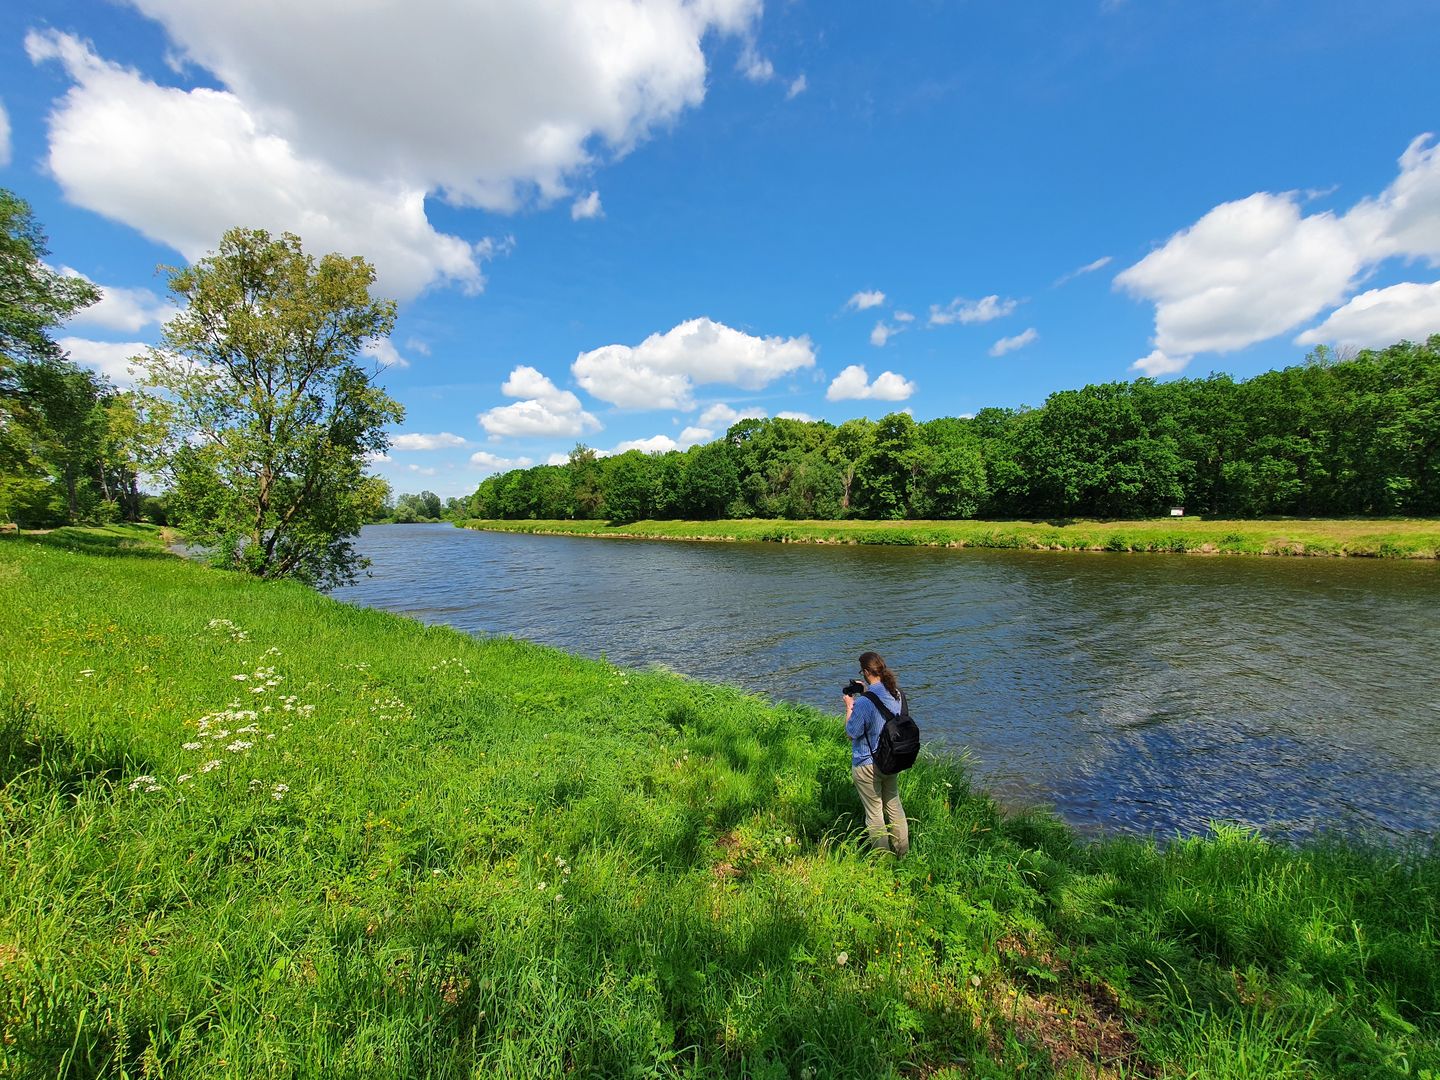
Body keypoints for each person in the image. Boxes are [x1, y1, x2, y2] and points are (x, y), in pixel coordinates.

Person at [843, 650, 910, 857]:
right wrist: (866, 692)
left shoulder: (863, 703)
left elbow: (851, 733)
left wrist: (849, 707)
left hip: (867, 765)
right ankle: (902, 853)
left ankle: (882, 861)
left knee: (874, 814)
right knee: (894, 807)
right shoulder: (896, 693)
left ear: (864, 672)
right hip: (891, 760)